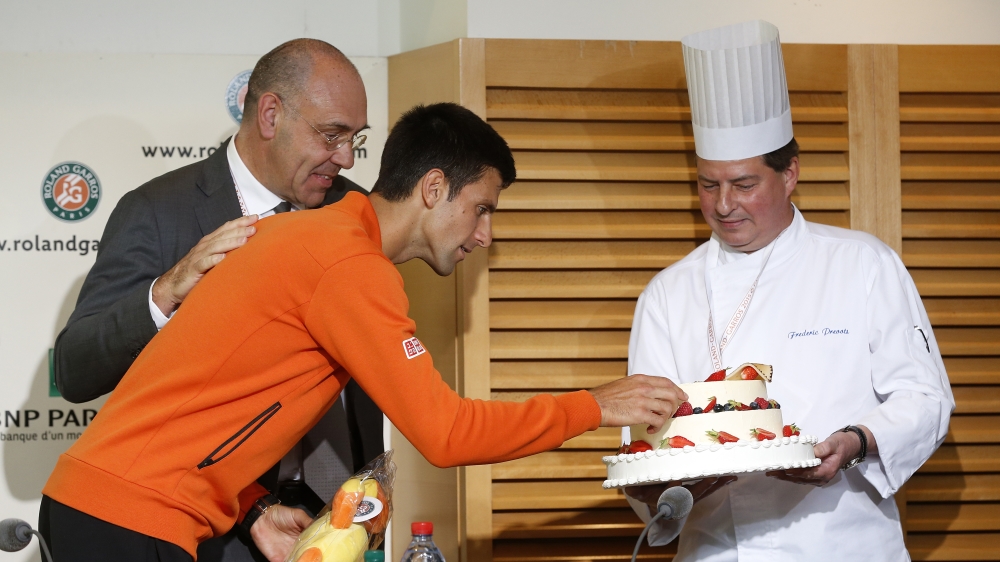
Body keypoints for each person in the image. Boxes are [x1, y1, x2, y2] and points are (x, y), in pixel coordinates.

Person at [40, 102, 687, 562]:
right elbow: (447, 432)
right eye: (482, 208)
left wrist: (250, 504)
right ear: (434, 188)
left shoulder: (314, 238)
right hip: (124, 518)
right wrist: (596, 405)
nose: (485, 235)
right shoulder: (349, 265)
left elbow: (209, 393)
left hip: (112, 508)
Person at [621, 20, 954, 561]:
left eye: (745, 185)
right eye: (709, 184)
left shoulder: (862, 263)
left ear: (790, 173)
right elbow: (647, 445)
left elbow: (926, 398)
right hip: (717, 550)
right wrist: (676, 484)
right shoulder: (666, 294)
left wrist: (854, 443)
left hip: (845, 545)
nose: (724, 204)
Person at [50, 39, 384, 560]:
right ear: (271, 113)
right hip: (220, 533)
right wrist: (166, 291)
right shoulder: (158, 211)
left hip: (352, 519)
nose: (345, 157)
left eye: (354, 138)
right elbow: (75, 370)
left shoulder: (354, 212)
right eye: (331, 135)